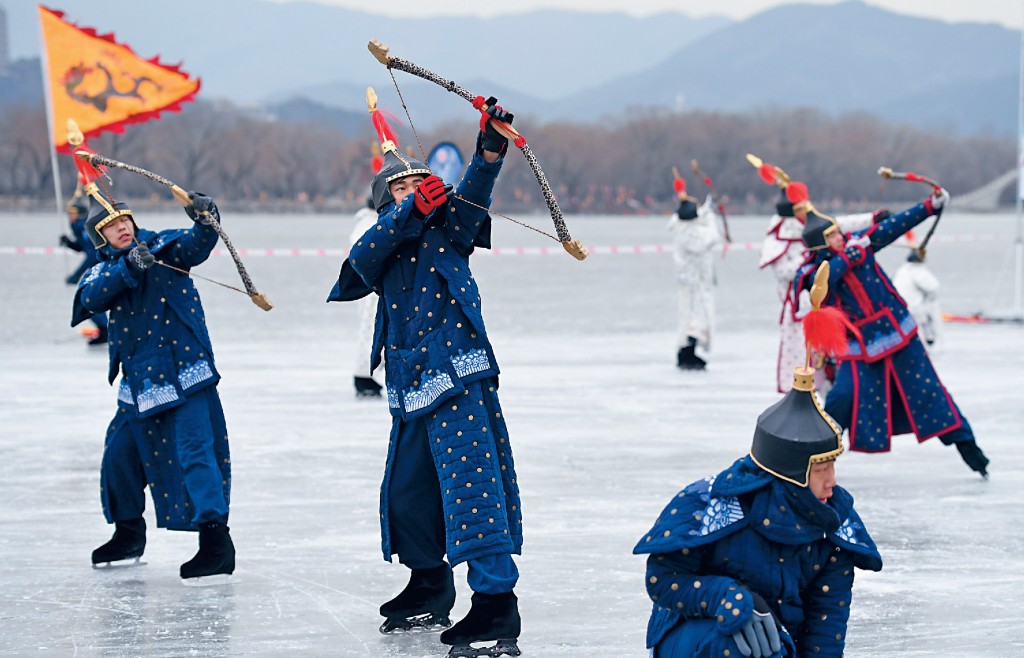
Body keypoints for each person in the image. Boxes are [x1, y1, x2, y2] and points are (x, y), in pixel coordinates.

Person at [327, 97, 523, 658]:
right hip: (411, 383)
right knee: (408, 494)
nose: (414, 191)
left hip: (458, 374)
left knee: (471, 487)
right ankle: (429, 582)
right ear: (382, 201)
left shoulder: (452, 227)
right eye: (399, 187)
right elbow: (356, 268)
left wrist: (488, 147)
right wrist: (406, 213)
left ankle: (494, 605)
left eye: (421, 184)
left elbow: (475, 192)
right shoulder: (380, 240)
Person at [635, 364, 882, 658]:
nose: (832, 482)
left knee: (764, 647)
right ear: (792, 472)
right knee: (734, 644)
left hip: (777, 646)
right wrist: (729, 596)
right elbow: (662, 579)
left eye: (833, 467)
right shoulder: (715, 504)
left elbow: (825, 625)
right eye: (821, 470)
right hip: (694, 636)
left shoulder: (833, 524)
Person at [71, 180, 235, 583]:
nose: (122, 228)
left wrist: (204, 217)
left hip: (186, 371)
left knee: (196, 453)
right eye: (112, 226)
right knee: (118, 458)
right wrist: (130, 266)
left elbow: (197, 244)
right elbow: (89, 299)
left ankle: (216, 544)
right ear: (100, 237)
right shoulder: (100, 270)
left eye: (125, 220)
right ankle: (128, 533)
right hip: (139, 381)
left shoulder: (164, 246)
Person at [792, 183, 989, 477]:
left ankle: (972, 452)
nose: (839, 237)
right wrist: (848, 257)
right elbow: (821, 283)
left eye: (837, 231)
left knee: (932, 394)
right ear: (820, 245)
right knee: (840, 399)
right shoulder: (812, 271)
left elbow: (895, 226)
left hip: (900, 335)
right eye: (831, 235)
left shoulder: (859, 243)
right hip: (859, 346)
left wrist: (929, 206)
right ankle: (807, 465)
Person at [758, 181, 885, 393]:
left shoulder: (816, 225)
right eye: (798, 209)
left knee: (831, 359)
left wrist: (873, 219)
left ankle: (833, 395)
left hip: (827, 304)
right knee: (805, 360)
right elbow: (782, 272)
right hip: (800, 309)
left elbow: (840, 224)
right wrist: (810, 260)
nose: (804, 212)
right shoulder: (777, 239)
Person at [667, 178, 722, 370]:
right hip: (693, 283)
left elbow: (700, 220)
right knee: (694, 317)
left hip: (695, 281)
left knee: (695, 316)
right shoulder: (688, 232)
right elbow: (709, 238)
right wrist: (712, 217)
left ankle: (689, 349)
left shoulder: (681, 225)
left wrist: (708, 208)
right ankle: (686, 351)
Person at [61, 186, 108, 344]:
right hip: (98, 265)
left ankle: (104, 329)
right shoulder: (79, 227)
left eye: (72, 213)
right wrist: (69, 244)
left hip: (102, 266)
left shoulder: (83, 227)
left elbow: (91, 255)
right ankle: (104, 328)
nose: (70, 216)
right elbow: (85, 248)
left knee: (88, 296)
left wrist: (75, 276)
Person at [349, 196, 385, 397]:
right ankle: (364, 376)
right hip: (372, 286)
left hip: (368, 285)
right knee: (371, 331)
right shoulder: (369, 223)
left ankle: (368, 375)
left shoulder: (364, 221)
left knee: (371, 331)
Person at [892, 248, 941, 349]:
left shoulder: (901, 270)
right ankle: (930, 340)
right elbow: (933, 287)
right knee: (929, 314)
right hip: (914, 308)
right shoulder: (917, 271)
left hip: (899, 307)